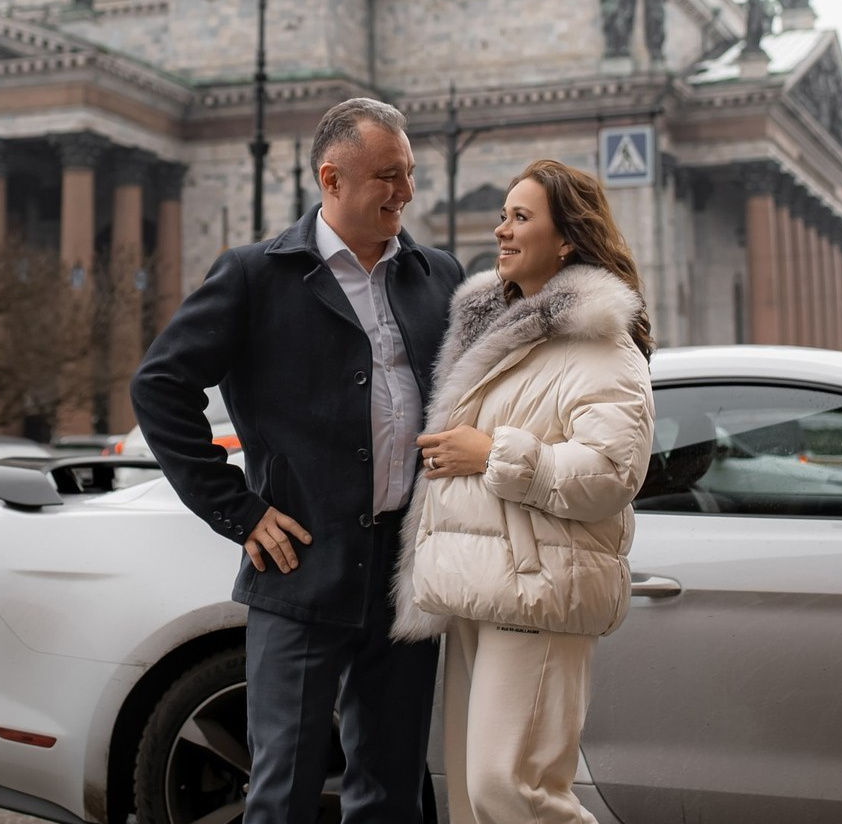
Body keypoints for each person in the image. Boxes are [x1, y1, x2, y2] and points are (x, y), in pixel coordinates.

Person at [131, 98, 464, 824]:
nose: (406, 193)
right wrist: (239, 511)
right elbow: (159, 385)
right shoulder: (258, 274)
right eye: (387, 176)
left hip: (406, 572)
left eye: (409, 174)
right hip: (300, 568)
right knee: (281, 791)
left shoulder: (436, 274)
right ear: (332, 178)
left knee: (392, 789)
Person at [392, 159, 655, 824]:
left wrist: (493, 452)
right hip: (477, 583)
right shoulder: (497, 333)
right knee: (477, 804)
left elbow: (611, 474)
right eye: (504, 215)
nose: (501, 230)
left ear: (566, 239)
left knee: (514, 793)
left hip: (537, 590)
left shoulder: (602, 346)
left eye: (521, 217)